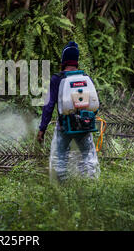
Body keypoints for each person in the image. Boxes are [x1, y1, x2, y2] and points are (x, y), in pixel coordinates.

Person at [37, 41, 99, 181]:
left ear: (63, 61)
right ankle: (91, 183)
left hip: (64, 126)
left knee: (60, 159)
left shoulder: (57, 79)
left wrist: (42, 129)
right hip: (84, 125)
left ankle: (61, 186)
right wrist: (87, 118)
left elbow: (48, 106)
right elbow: (94, 104)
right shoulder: (85, 78)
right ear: (76, 61)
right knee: (88, 156)